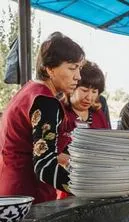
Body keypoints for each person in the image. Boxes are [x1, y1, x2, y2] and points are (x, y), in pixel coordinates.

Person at [0, 32, 85, 203]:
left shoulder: (29, 91)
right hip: (27, 195)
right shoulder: (45, 101)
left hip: (10, 189)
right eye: (72, 68)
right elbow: (45, 166)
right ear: (49, 69)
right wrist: (88, 188)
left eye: (79, 68)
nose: (78, 76)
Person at [56, 60, 110, 199]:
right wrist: (73, 160)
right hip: (64, 186)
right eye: (84, 90)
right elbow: (44, 153)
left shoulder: (99, 115)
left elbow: (108, 147)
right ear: (72, 87)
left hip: (97, 185)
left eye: (94, 91)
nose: (89, 97)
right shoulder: (58, 111)